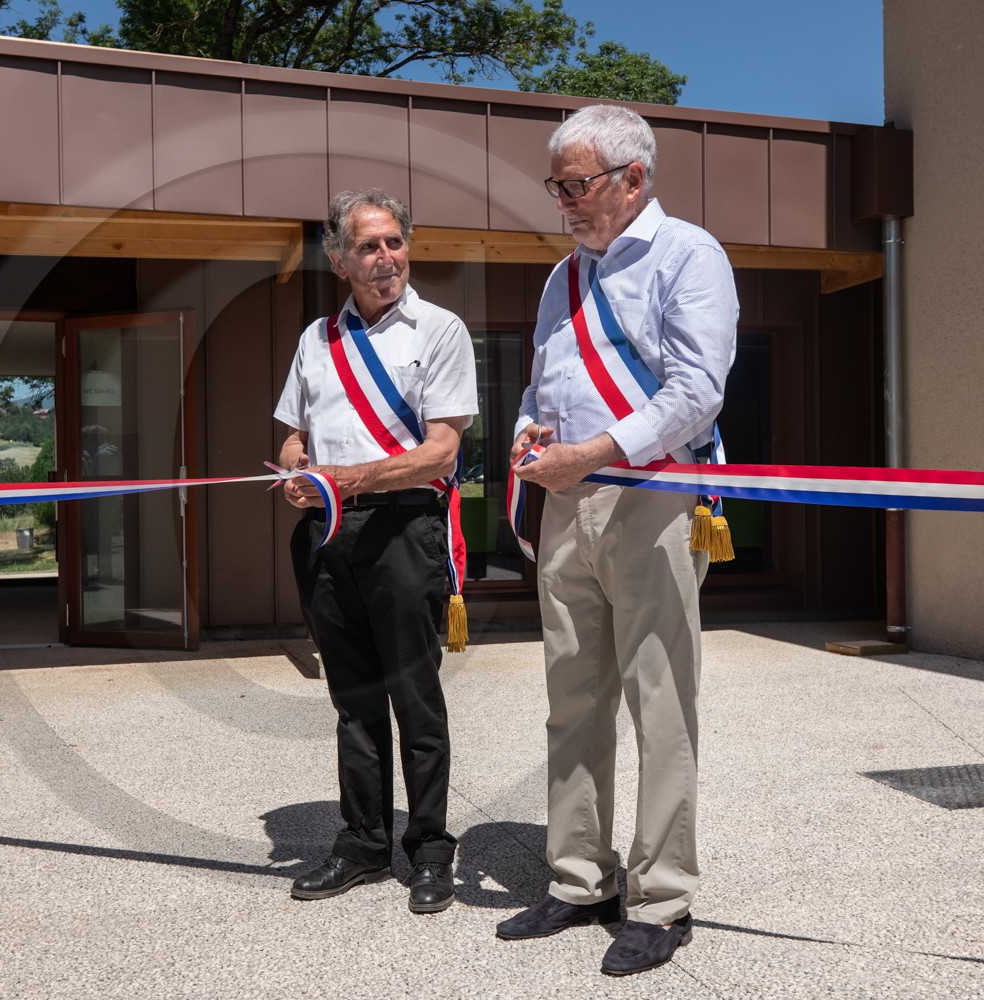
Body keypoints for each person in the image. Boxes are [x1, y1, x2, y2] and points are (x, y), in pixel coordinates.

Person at [496, 105, 738, 975]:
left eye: (578, 183)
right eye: (556, 184)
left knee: (661, 703)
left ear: (635, 179)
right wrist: (530, 434)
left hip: (656, 501)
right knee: (572, 697)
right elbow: (541, 387)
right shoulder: (560, 279)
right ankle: (578, 877)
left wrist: (593, 452)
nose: (563, 199)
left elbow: (697, 391)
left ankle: (663, 895)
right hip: (566, 504)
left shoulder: (690, 257)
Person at [274, 188, 478, 914]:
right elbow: (293, 435)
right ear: (338, 260)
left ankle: (428, 848)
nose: (386, 257)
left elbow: (442, 450)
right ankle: (362, 842)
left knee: (415, 700)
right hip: (330, 534)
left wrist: (350, 478)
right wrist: (300, 470)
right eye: (368, 246)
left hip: (403, 531)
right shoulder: (315, 340)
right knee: (353, 700)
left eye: (394, 242)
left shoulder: (441, 329)